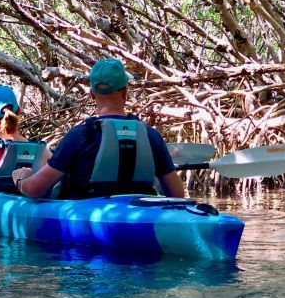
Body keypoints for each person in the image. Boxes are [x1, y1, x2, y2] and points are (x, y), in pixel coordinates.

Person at [11, 58, 184, 199]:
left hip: (86, 218)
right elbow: (177, 195)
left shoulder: (79, 136)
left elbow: (34, 190)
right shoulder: (151, 136)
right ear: (125, 92)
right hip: (140, 218)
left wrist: (21, 178)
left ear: (91, 94)